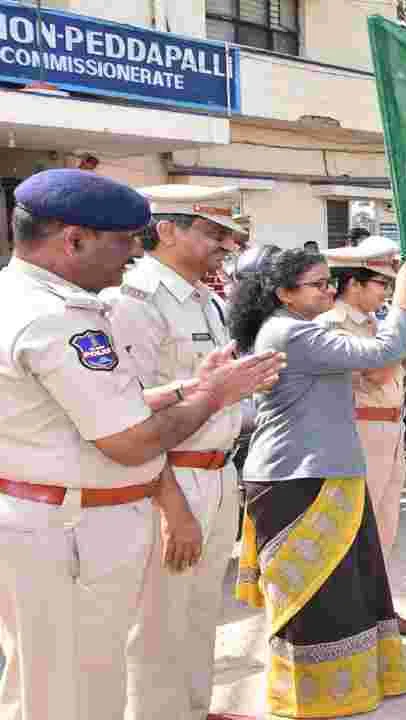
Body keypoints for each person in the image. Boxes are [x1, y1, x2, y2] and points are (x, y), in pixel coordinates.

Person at [0, 169, 281, 720]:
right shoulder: (56, 318)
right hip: (69, 530)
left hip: (58, 519)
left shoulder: (31, 299)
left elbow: (105, 405)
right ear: (73, 239)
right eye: (124, 242)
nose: (133, 255)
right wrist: (214, 398)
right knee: (77, 692)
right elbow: (129, 441)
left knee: (51, 680)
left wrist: (190, 388)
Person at [230, 248, 406, 718]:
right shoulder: (290, 333)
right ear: (284, 293)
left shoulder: (302, 329)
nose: (329, 290)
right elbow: (379, 354)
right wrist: (400, 298)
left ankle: (346, 686)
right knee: (313, 593)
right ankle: (313, 695)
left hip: (321, 471)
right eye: (318, 284)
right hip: (297, 476)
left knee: (342, 587)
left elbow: (381, 355)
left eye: (327, 282)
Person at [101, 185, 258, 720]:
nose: (225, 244)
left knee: (197, 612)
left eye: (228, 234)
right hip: (171, 479)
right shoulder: (134, 302)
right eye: (212, 231)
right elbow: (130, 418)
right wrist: (172, 507)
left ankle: (192, 710)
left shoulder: (205, 298)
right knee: (157, 621)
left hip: (217, 472)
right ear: (166, 229)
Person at [315, 236, 406, 636]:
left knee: (383, 527)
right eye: (381, 283)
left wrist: (404, 319)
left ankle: (378, 609)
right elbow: (377, 372)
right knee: (359, 527)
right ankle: (356, 615)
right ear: (354, 284)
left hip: (388, 428)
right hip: (361, 428)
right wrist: (400, 310)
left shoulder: (373, 321)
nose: (385, 291)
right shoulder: (333, 323)